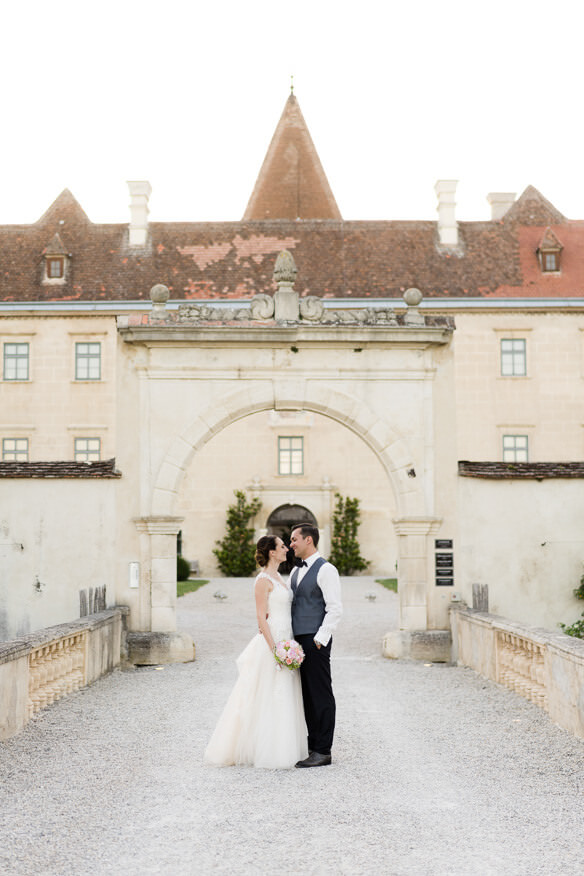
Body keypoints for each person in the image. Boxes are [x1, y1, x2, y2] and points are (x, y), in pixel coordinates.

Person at [204, 535, 308, 769]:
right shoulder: (262, 580)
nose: (286, 549)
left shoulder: (280, 577)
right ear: (272, 552)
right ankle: (268, 750)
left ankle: (285, 745)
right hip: (273, 641)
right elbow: (261, 618)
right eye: (282, 546)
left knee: (283, 693)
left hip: (287, 637)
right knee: (266, 693)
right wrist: (275, 651)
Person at [289, 523, 342, 768]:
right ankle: (312, 745)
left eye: (294, 540)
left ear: (308, 540)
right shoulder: (294, 572)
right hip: (297, 641)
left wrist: (321, 639)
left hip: (315, 640)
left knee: (320, 693)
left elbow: (335, 608)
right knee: (306, 695)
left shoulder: (326, 569)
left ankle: (323, 750)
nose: (291, 545)